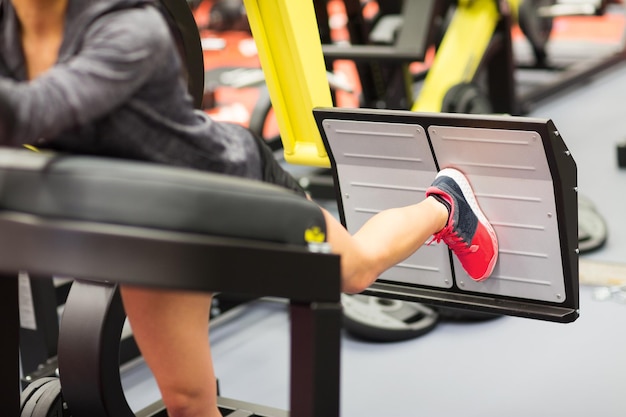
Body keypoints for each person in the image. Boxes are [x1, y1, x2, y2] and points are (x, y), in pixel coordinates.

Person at [0, 0, 498, 416]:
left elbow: (31, 113)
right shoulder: (11, 24)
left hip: (226, 184)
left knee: (354, 270)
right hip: (145, 211)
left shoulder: (130, 29)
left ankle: (445, 207)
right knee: (188, 403)